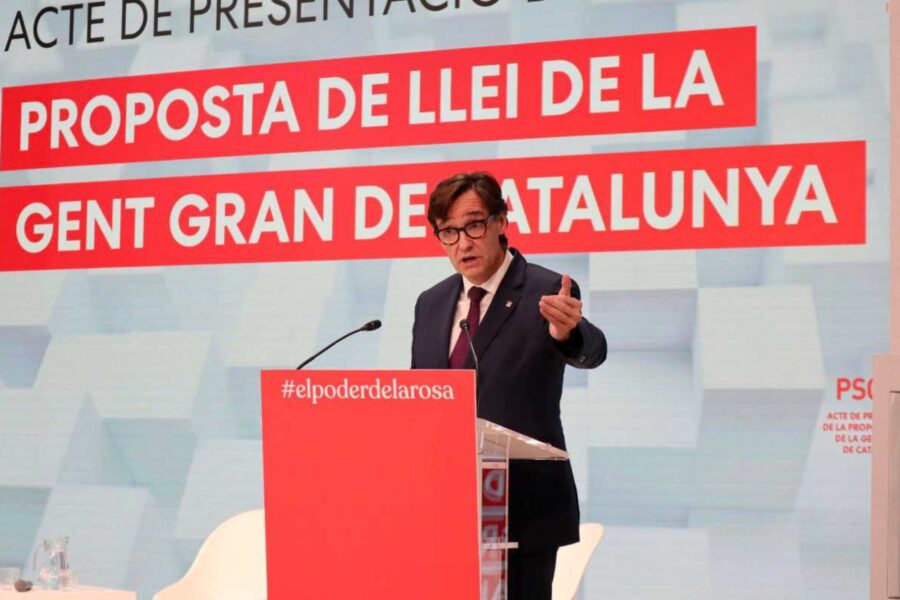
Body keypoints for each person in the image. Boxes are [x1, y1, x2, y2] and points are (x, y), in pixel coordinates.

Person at [410, 171, 607, 600]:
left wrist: (568, 334)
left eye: (474, 225)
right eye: (448, 232)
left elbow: (593, 349)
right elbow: (421, 398)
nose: (463, 243)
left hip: (522, 506)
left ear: (501, 221)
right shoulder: (430, 303)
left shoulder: (545, 289)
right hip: (447, 507)